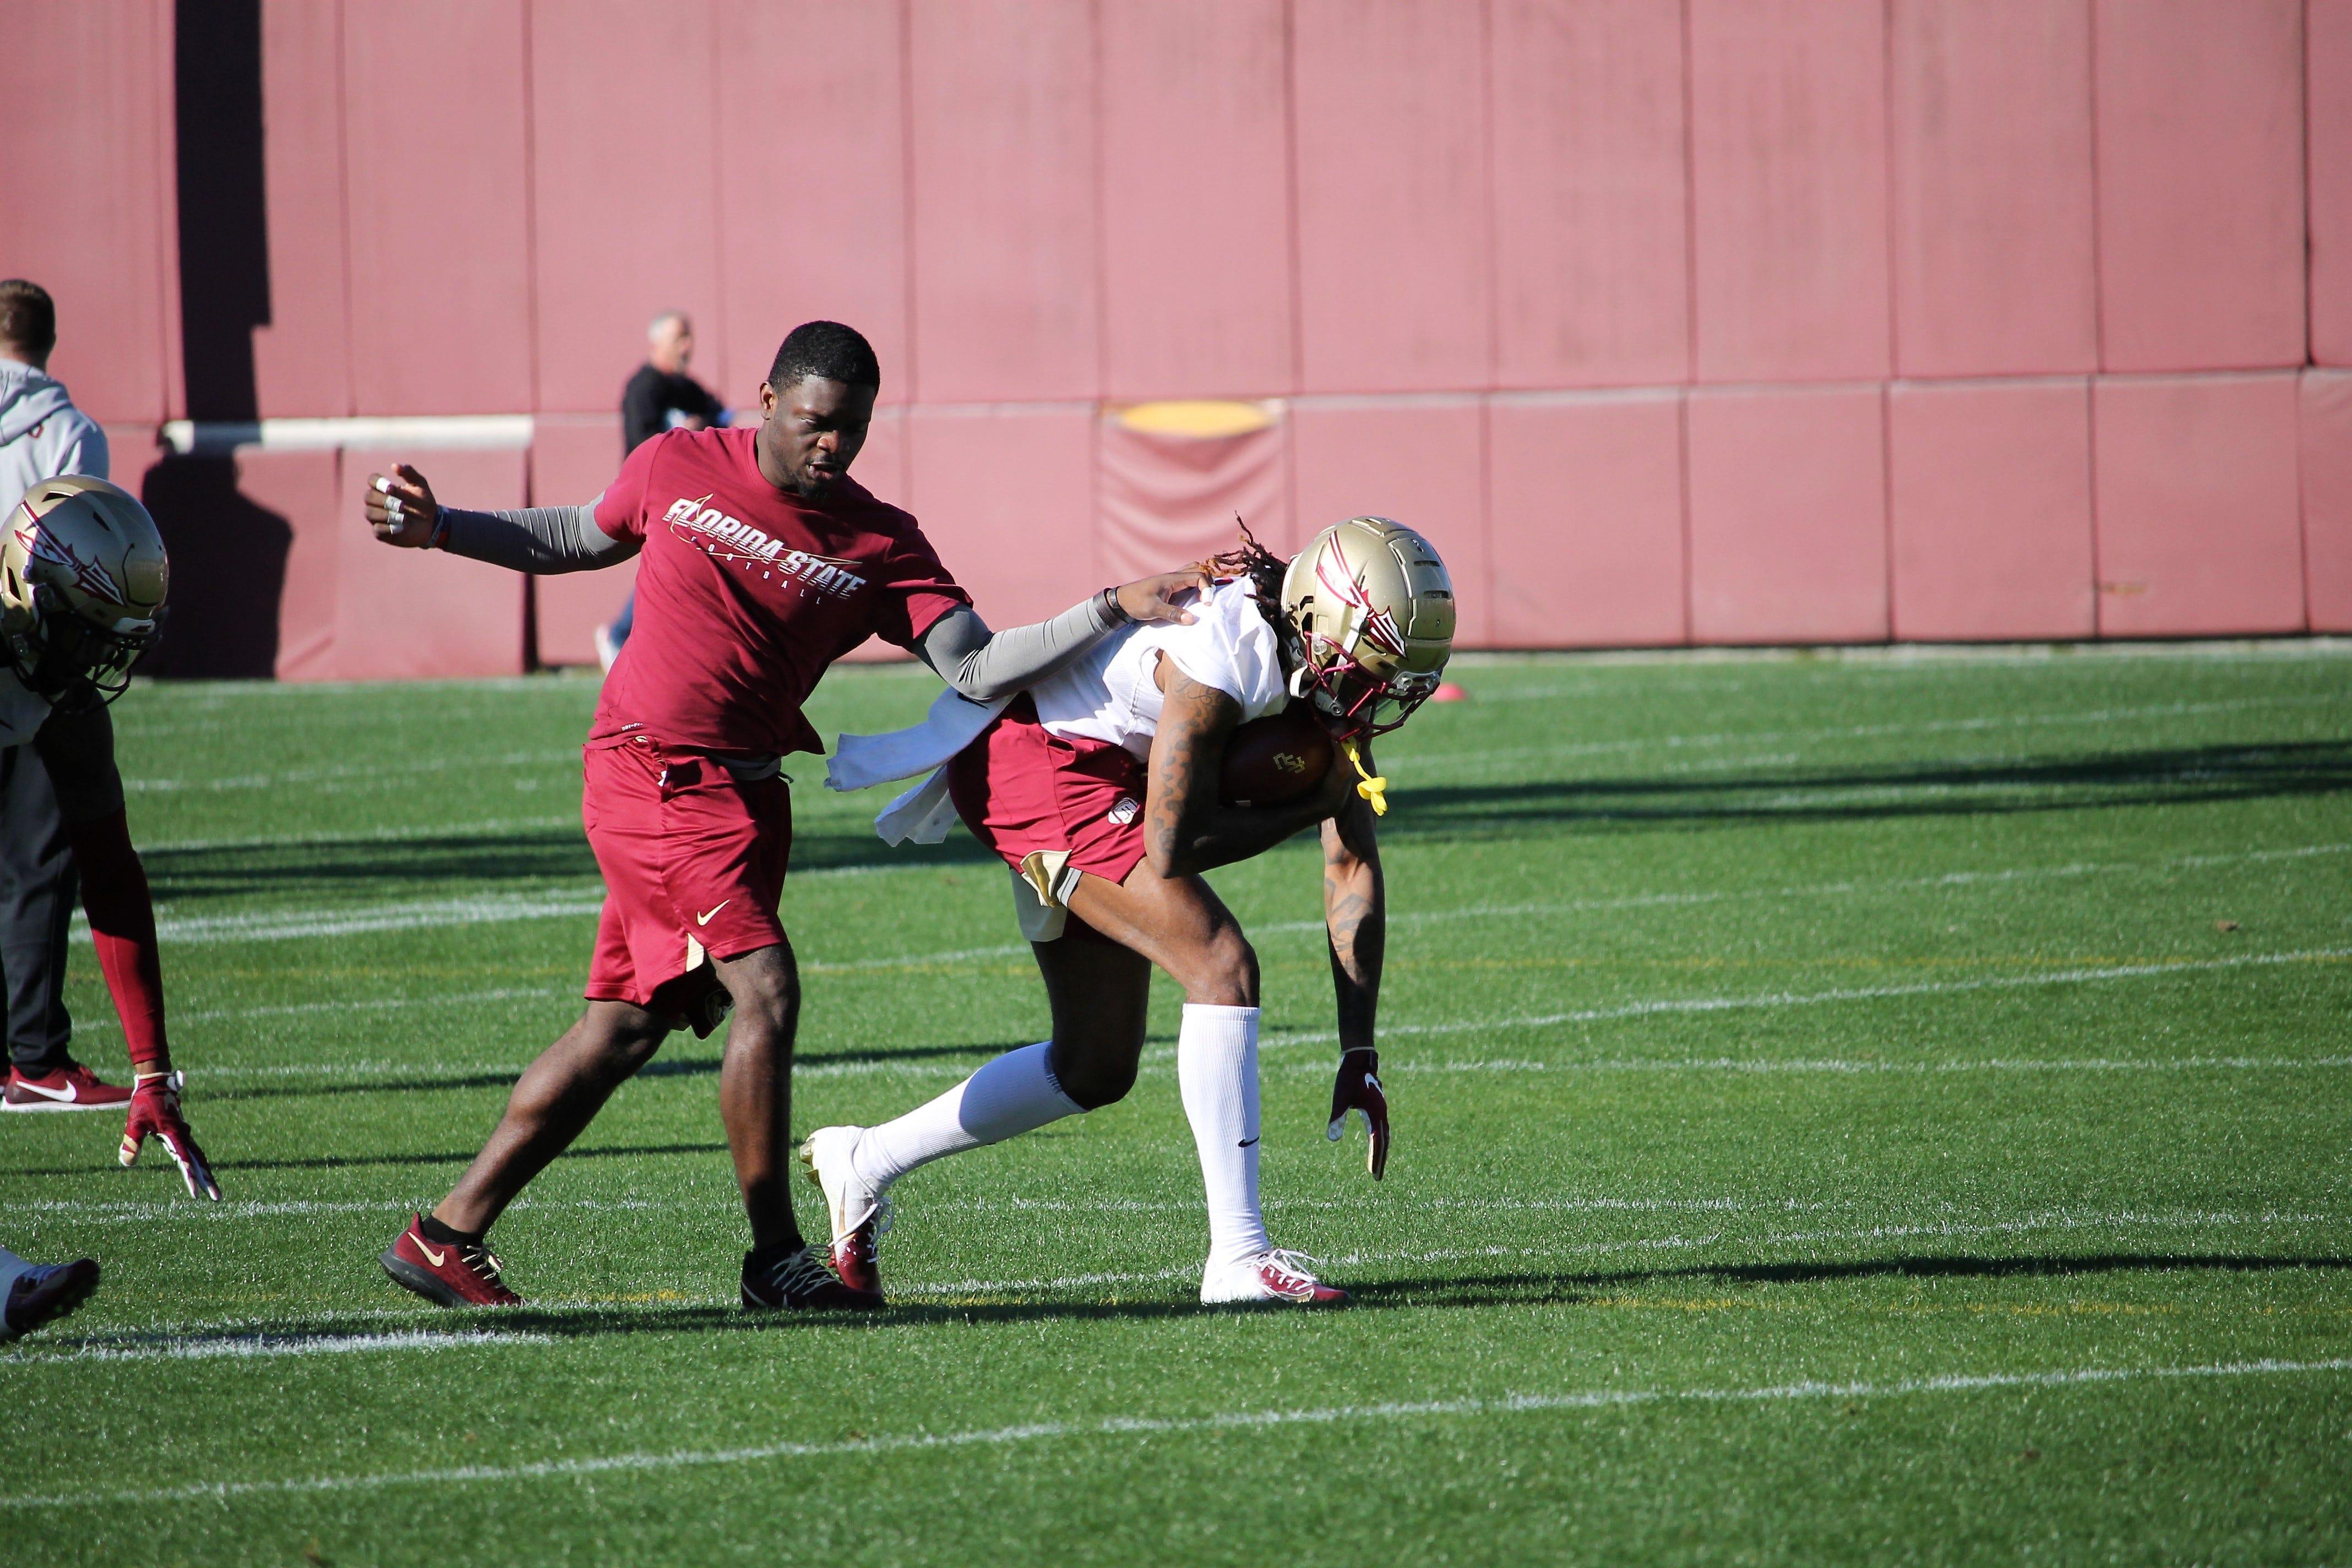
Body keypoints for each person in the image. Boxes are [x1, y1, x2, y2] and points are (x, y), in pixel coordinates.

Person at [362, 320, 1207, 1312]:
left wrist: (1108, 606)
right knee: (764, 987)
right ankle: (775, 1258)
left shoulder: (880, 539)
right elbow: (581, 536)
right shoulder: (676, 461)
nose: (832, 445)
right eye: (814, 422)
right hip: (652, 772)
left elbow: (976, 667)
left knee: (623, 1028)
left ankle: (445, 1233)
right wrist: (444, 525)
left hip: (749, 795)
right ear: (767, 400)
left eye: (853, 428)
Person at [807, 516, 1455, 1305]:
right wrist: (1302, 806)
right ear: (1321, 622)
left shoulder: (1317, 664)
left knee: (1095, 1065)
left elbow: (1350, 860)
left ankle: (863, 1161)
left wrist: (1360, 1048)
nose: (1374, 694)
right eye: (1369, 669)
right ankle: (1237, 1257)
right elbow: (1171, 847)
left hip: (1101, 769)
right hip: (1040, 765)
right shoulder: (1222, 657)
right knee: (1220, 964)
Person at [0, 473, 220, 1201]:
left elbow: (112, 878)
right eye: (85, 635)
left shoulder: (62, 699)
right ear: (29, 589)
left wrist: (152, 1071)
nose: (94, 664)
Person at [0, 279, 130, 1114]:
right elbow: (75, 552)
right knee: (38, 862)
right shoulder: (68, 430)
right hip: (27, 661)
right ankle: (37, 1057)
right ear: (48, 341)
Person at [597, 312, 731, 671]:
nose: (687, 346)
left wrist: (704, 426)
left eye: (689, 337)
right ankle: (620, 634)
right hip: (654, 493)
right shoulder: (643, 387)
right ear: (657, 343)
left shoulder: (687, 388)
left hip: (692, 495)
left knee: (689, 564)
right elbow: (640, 446)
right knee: (674, 562)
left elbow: (722, 417)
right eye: (679, 338)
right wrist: (684, 436)